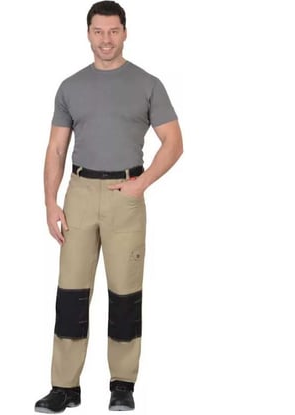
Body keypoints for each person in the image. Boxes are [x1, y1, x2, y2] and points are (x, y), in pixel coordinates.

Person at [35, 1, 183, 412]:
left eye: (113, 31)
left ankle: (122, 384)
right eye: (98, 31)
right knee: (71, 293)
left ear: (125, 32)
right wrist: (50, 203)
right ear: (88, 33)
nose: (106, 39)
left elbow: (174, 143)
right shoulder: (70, 87)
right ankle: (64, 387)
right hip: (79, 194)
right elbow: (56, 149)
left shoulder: (148, 84)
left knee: (125, 292)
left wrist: (141, 184)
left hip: (125, 196)